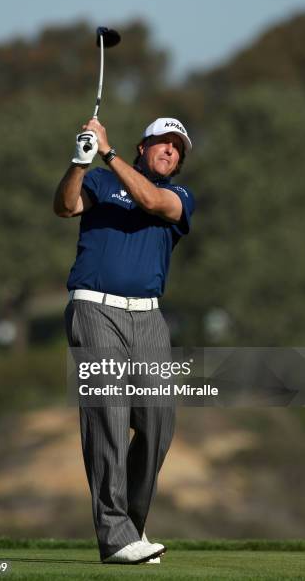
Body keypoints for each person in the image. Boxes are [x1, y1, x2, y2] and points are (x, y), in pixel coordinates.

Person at [53, 117, 195, 564]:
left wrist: (108, 152)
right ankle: (115, 536)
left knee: (157, 425)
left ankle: (131, 526)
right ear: (143, 146)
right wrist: (80, 161)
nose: (171, 151)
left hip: (149, 319)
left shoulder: (178, 196)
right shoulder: (99, 180)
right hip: (94, 308)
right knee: (109, 416)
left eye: (178, 148)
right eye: (163, 143)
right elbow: (65, 206)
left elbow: (151, 200)